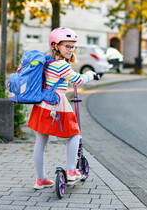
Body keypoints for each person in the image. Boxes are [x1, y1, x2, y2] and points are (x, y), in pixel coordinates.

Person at [27, 27, 96, 190]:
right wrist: (91, 75)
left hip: (42, 105)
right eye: (67, 46)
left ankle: (40, 179)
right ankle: (71, 171)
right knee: (75, 134)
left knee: (40, 141)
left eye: (73, 46)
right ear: (55, 46)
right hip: (57, 106)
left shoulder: (47, 61)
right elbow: (78, 79)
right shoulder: (60, 65)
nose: (71, 49)